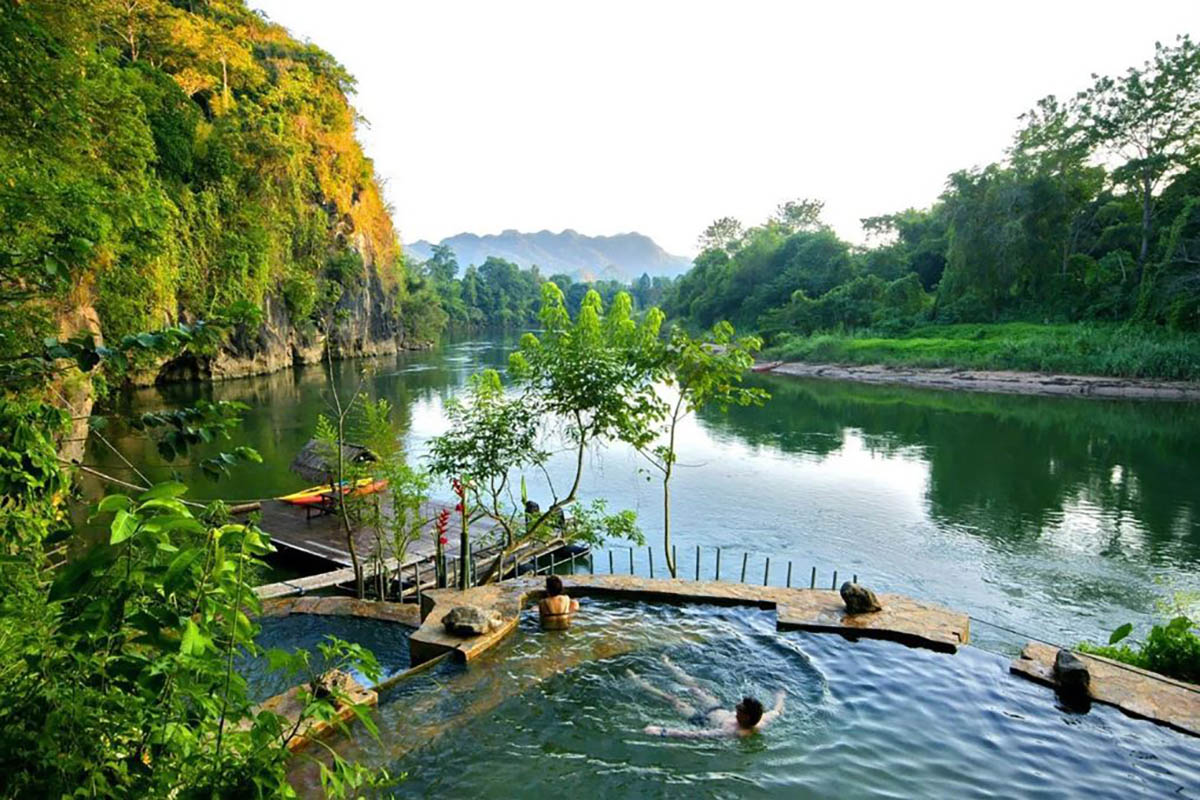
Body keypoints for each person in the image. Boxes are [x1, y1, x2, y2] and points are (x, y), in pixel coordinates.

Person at [629, 654, 785, 739]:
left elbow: (695, 734)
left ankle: (639, 682)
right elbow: (777, 711)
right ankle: (669, 665)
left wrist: (662, 731)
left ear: (746, 717)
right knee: (696, 688)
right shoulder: (763, 719)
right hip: (716, 708)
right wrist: (780, 697)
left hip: (701, 719)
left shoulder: (733, 732)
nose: (736, 707)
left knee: (673, 699)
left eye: (739, 708)